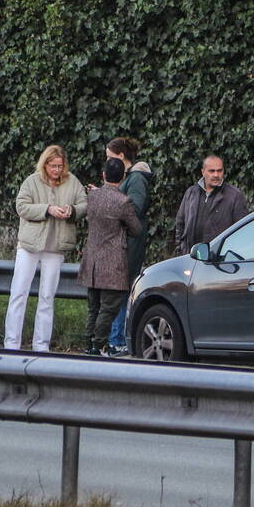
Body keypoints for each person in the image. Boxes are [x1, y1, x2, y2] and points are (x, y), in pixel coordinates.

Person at [4, 145, 87, 352]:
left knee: (47, 296)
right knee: (18, 293)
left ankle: (41, 345)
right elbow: (21, 206)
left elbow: (84, 204)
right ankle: (11, 343)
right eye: (53, 166)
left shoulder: (73, 181)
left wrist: (72, 210)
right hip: (30, 245)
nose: (57, 170)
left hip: (56, 246)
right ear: (45, 164)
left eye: (60, 166)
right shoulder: (32, 181)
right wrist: (47, 210)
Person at [78, 158, 141, 355]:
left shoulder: (92, 197)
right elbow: (136, 229)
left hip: (92, 261)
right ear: (123, 177)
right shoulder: (124, 201)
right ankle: (99, 345)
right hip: (113, 262)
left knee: (93, 307)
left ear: (104, 175)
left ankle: (89, 343)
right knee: (109, 308)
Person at [104, 137, 155, 356]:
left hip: (129, 244)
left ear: (121, 156)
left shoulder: (135, 178)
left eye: (109, 157)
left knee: (121, 291)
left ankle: (119, 341)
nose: (107, 161)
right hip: (125, 242)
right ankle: (116, 340)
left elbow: (133, 207)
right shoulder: (132, 177)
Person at [174, 155, 248, 255]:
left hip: (219, 260)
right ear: (203, 172)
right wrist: (181, 250)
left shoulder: (234, 196)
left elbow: (242, 231)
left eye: (219, 171)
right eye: (212, 171)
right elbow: (180, 224)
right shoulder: (191, 193)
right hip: (190, 258)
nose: (216, 175)